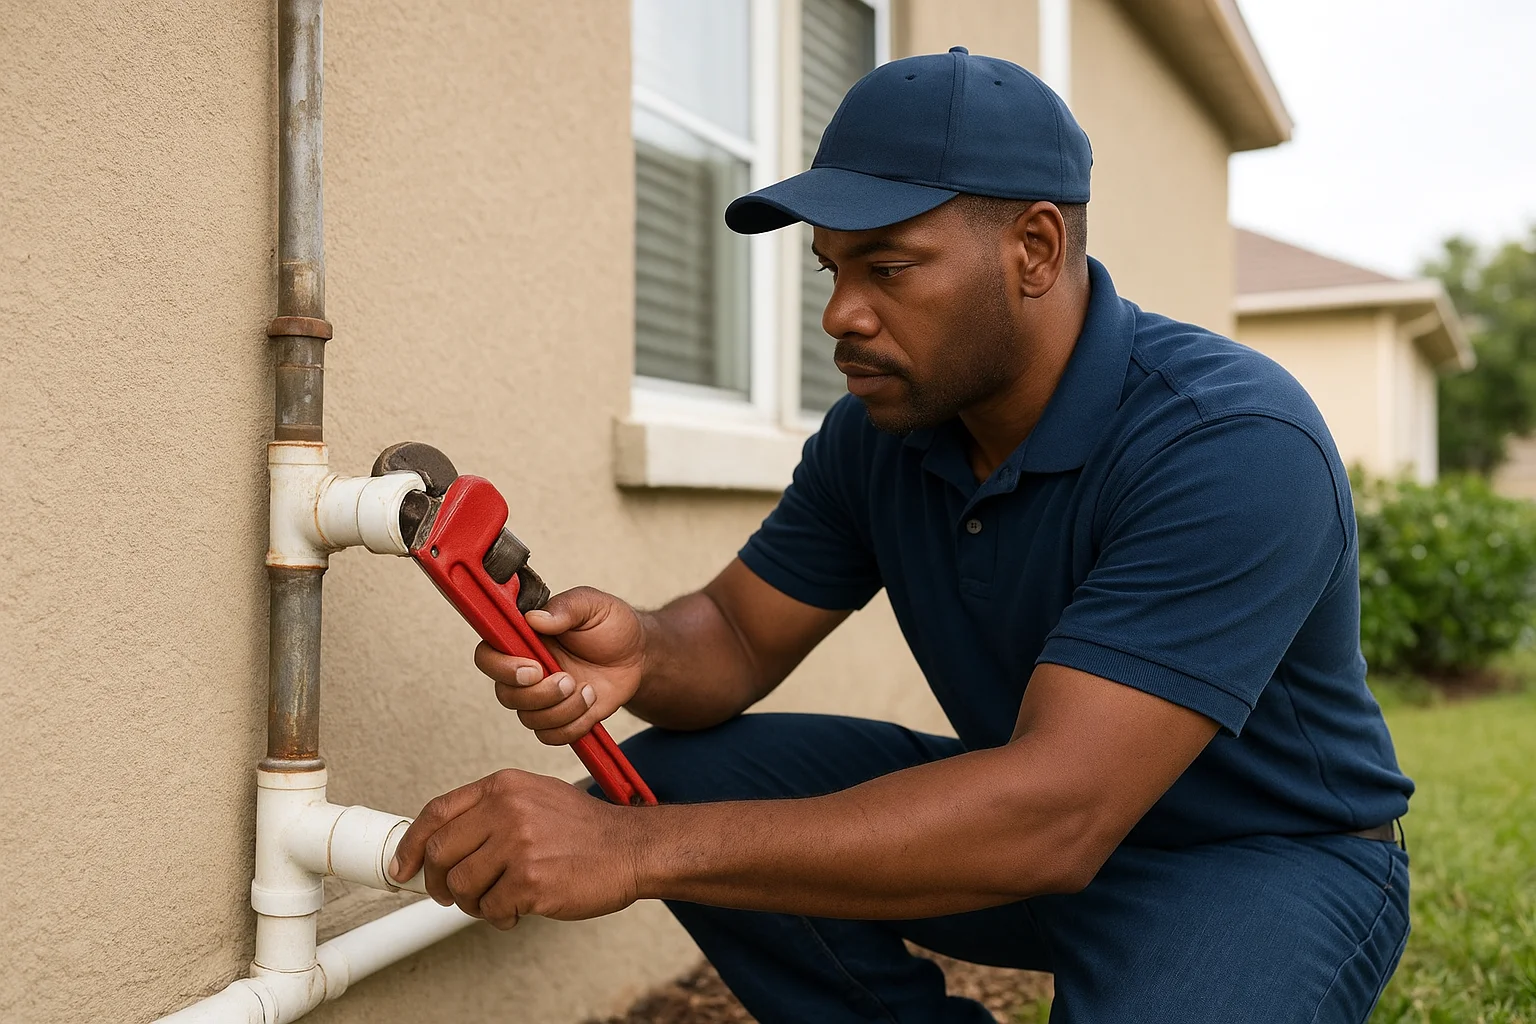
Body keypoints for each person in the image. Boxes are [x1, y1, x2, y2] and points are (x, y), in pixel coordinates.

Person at [391, 47, 1412, 1023]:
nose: (840, 313)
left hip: (1259, 856)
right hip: (1036, 825)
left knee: (676, 818)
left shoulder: (1229, 441)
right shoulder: (886, 432)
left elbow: (1055, 811)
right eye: (831, 269)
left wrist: (634, 848)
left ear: (1035, 250)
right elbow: (738, 639)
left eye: (888, 267)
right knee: (687, 772)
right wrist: (643, 647)